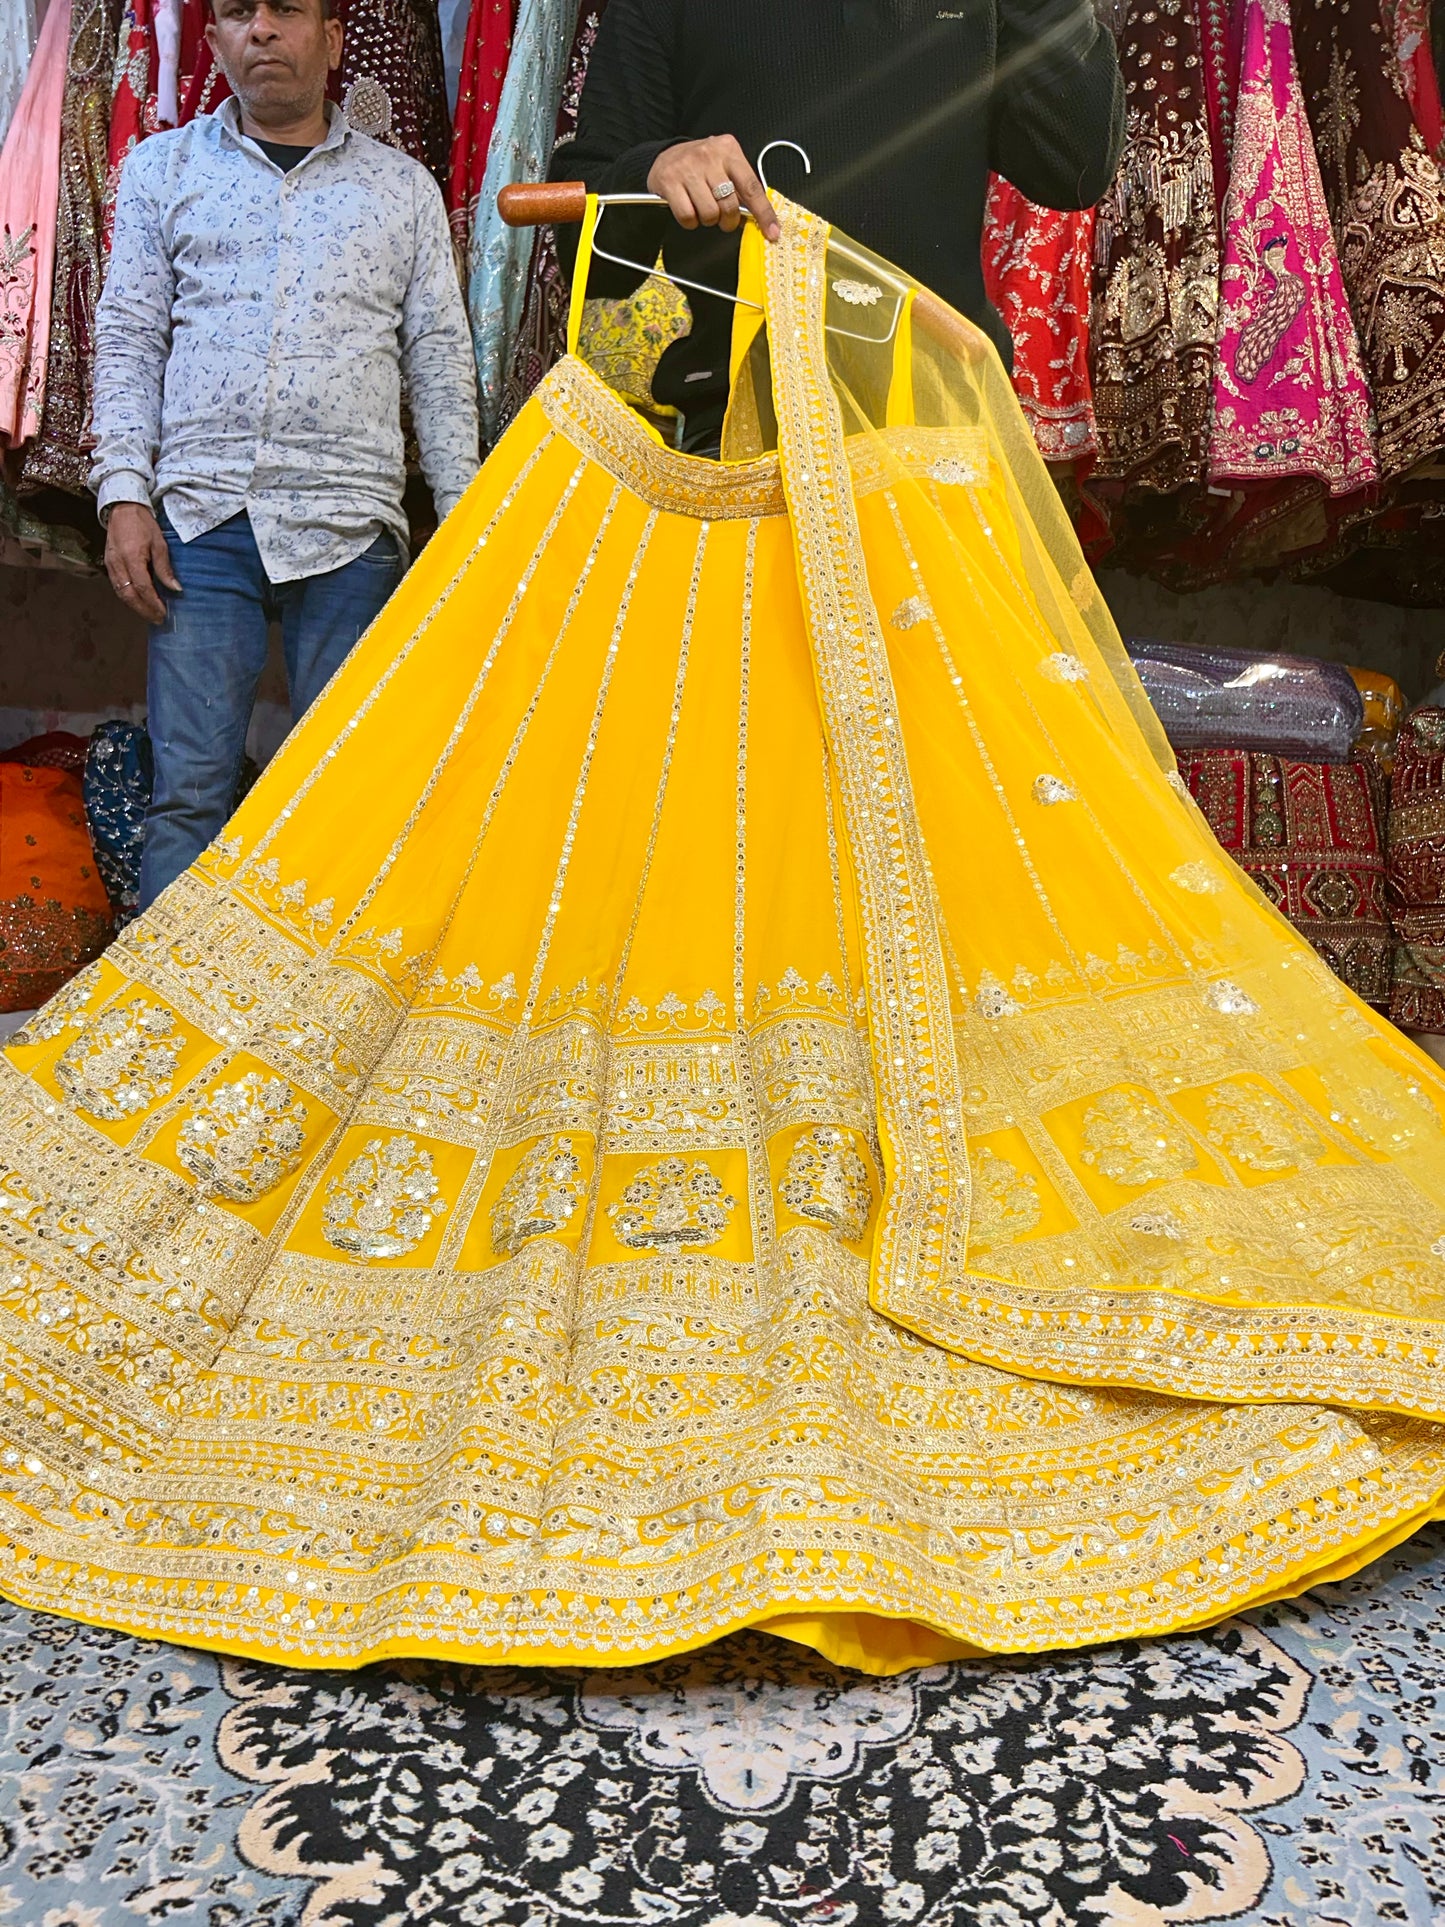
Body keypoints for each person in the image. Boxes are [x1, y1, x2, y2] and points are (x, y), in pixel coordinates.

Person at [3, 193, 1445, 1677]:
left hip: (845, 484)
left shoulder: (931, 232)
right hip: (495, 517)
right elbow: (583, 161)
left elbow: (1064, 157)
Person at [91, 0, 480, 910]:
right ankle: (170, 1028)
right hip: (199, 524)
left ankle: (326, 1037)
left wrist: (463, 520)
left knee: (351, 798)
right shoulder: (162, 170)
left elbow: (439, 358)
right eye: (235, 13)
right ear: (217, 41)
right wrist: (122, 495)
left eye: (287, 10)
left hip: (351, 531)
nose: (261, 30)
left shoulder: (402, 188)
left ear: (332, 39)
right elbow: (129, 339)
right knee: (187, 795)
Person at [554, 0, 1124, 451]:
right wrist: (657, 166)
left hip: (943, 438)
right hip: (744, 449)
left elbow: (1073, 170)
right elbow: (586, 253)